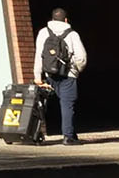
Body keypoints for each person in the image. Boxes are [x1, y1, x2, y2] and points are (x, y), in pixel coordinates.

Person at [33, 8, 86, 143]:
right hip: (68, 75)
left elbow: (39, 55)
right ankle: (68, 136)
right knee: (68, 104)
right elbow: (81, 58)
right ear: (66, 20)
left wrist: (38, 77)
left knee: (48, 104)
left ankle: (69, 133)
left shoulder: (43, 32)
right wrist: (76, 70)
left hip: (50, 74)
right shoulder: (72, 34)